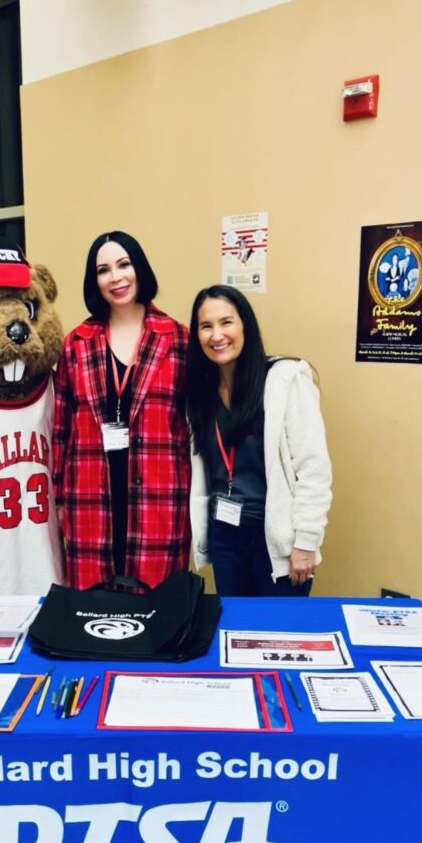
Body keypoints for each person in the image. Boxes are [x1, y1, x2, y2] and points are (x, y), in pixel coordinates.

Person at [52, 231, 191, 589]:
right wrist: (58, 495)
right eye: (103, 270)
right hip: (90, 493)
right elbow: (61, 426)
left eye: (124, 264)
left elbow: (196, 424)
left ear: (139, 268)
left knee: (155, 611)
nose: (115, 277)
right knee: (93, 611)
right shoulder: (76, 344)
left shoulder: (178, 339)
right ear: (93, 280)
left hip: (159, 493)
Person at [187, 285, 331, 597]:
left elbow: (314, 468)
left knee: (278, 635)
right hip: (224, 536)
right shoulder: (200, 394)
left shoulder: (284, 380)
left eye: (226, 322)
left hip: (276, 539)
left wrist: (306, 542)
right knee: (237, 631)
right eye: (206, 326)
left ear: (245, 326)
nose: (216, 335)